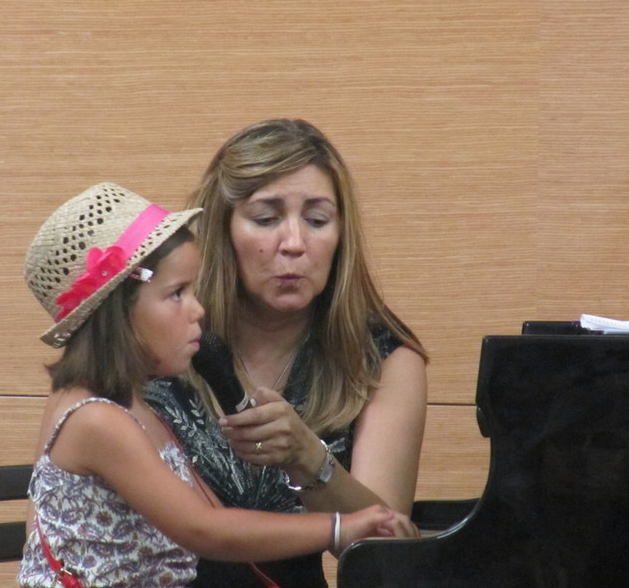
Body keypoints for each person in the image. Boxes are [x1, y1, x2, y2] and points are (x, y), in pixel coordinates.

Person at [17, 182, 418, 588]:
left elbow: (212, 513)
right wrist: (338, 528)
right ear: (119, 314)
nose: (198, 310)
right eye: (177, 294)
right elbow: (204, 529)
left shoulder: (134, 407)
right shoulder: (95, 420)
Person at [145, 119, 429, 588]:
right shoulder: (162, 331)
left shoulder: (383, 357)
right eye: (265, 218)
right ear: (222, 229)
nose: (294, 244)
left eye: (317, 221)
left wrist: (309, 459)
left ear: (341, 235)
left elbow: (384, 554)